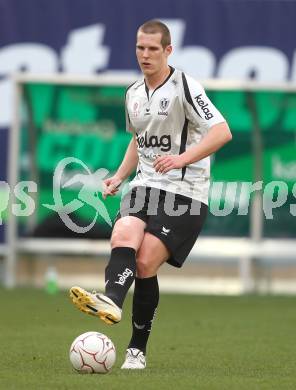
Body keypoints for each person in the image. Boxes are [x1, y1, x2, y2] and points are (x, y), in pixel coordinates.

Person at [70, 19, 232, 369]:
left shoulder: (185, 86)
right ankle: (112, 300)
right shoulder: (132, 93)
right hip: (145, 185)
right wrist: (118, 176)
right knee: (124, 232)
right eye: (140, 48)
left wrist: (182, 159)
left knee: (144, 263)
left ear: (168, 50)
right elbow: (137, 140)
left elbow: (221, 132)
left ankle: (136, 349)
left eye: (153, 49)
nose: (145, 55)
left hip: (186, 192)